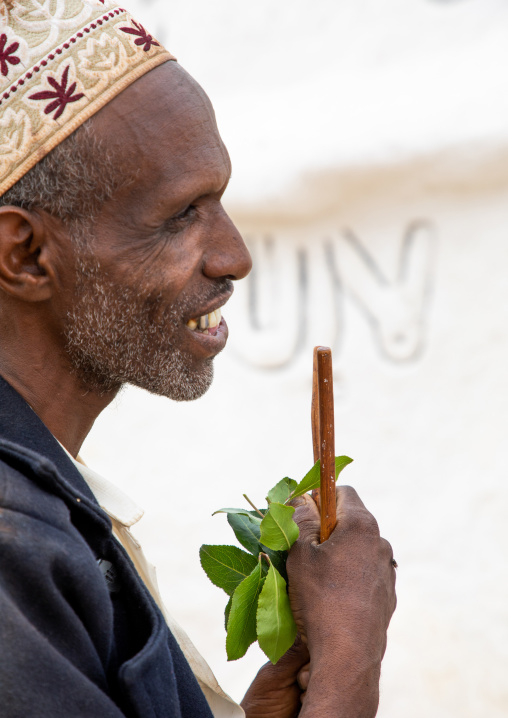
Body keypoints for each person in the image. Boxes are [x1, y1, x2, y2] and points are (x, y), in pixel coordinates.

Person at [0, 1, 397, 716]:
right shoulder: (11, 541)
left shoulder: (45, 491)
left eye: (219, 201)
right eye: (182, 215)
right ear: (25, 255)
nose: (233, 256)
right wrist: (347, 670)